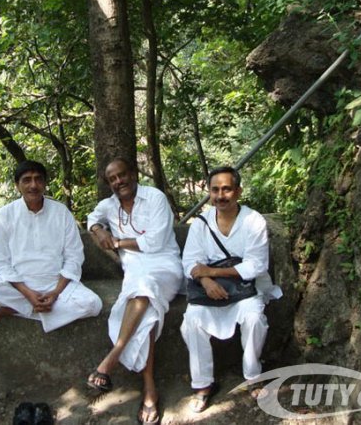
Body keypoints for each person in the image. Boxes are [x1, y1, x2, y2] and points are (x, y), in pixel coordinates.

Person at [86, 158, 183, 425]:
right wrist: (98, 229)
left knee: (145, 287)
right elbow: (92, 218)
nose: (119, 181)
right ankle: (149, 388)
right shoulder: (109, 205)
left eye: (122, 175)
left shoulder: (155, 198)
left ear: (132, 174)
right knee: (147, 313)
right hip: (135, 269)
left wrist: (116, 242)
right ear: (109, 184)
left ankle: (112, 357)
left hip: (164, 266)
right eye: (113, 179)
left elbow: (155, 241)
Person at [180, 166, 282, 412]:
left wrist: (212, 272)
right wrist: (206, 281)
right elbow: (190, 262)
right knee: (192, 320)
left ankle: (253, 375)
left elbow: (256, 265)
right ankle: (203, 385)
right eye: (215, 190)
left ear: (238, 191)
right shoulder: (201, 223)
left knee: (254, 318)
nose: (220, 195)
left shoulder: (253, 221)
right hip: (208, 290)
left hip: (246, 289)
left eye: (226, 189)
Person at [0, 160, 102, 332]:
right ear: (17, 186)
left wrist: (55, 293)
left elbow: (74, 256)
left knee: (93, 304)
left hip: (56, 284)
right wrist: (28, 293)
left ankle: (16, 309)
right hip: (19, 285)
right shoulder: (4, 215)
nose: (33, 185)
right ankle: (32, 307)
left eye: (38, 179)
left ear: (45, 184)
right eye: (27, 180)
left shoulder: (61, 212)